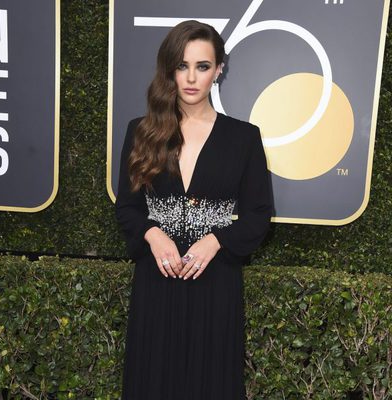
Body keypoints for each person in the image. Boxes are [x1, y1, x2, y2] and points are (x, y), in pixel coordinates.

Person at [115, 20, 272, 400]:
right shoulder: (142, 131)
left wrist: (216, 241)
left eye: (202, 66)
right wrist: (153, 235)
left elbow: (258, 214)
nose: (191, 77)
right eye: (182, 66)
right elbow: (128, 207)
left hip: (215, 283)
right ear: (170, 69)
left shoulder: (243, 137)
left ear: (218, 70)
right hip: (157, 281)